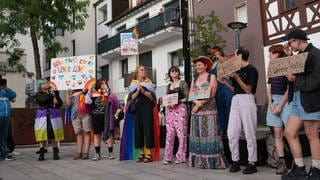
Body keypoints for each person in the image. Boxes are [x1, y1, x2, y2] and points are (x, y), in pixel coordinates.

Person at [281, 28, 320, 180]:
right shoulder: (299, 56)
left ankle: (316, 170)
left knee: (312, 134)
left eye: (290, 42)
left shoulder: (315, 54)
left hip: (310, 98)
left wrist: (295, 80)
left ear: (298, 40)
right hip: (298, 98)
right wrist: (288, 57)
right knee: (289, 132)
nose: (289, 45)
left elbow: (317, 80)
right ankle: (299, 168)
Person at [220, 47, 259, 174]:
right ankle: (235, 161)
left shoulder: (252, 70)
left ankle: (252, 162)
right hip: (236, 99)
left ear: (240, 56)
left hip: (247, 99)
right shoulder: (236, 70)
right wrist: (225, 82)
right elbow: (235, 89)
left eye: (235, 55)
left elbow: (248, 89)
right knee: (232, 133)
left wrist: (236, 77)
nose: (233, 58)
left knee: (249, 133)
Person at [189, 56, 227, 169]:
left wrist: (200, 104)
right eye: (196, 65)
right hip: (196, 110)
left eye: (200, 65)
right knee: (197, 135)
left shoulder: (212, 76)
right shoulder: (194, 79)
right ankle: (199, 160)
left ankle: (212, 161)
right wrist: (196, 103)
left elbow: (212, 93)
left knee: (210, 134)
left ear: (206, 66)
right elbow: (191, 94)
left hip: (209, 109)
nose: (198, 67)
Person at [120, 65, 160, 162]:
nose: (144, 71)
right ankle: (142, 153)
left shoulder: (149, 83)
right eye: (141, 70)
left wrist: (143, 90)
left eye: (144, 70)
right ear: (137, 72)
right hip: (137, 109)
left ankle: (149, 154)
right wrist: (138, 91)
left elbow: (152, 97)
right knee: (138, 130)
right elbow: (131, 98)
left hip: (147, 109)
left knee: (148, 130)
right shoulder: (133, 84)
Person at [266, 44, 291, 175]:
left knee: (290, 133)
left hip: (285, 101)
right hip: (274, 101)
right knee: (277, 133)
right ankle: (282, 163)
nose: (269, 55)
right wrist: (270, 104)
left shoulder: (286, 66)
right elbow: (269, 87)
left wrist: (280, 105)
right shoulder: (271, 68)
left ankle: (296, 161)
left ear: (278, 54)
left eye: (271, 53)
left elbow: (289, 89)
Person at [85, 79, 118, 161]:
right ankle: (97, 153)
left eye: (105, 83)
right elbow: (88, 104)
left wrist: (108, 92)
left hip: (106, 117)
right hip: (96, 116)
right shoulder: (93, 93)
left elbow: (115, 103)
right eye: (102, 83)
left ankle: (110, 152)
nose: (103, 84)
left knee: (109, 134)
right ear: (98, 84)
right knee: (97, 135)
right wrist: (88, 92)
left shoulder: (109, 94)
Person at [163, 66, 189, 165]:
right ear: (169, 74)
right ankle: (168, 157)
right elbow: (167, 98)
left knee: (181, 134)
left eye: (176, 71)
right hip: (170, 110)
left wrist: (177, 101)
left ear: (178, 73)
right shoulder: (168, 85)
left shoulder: (182, 83)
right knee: (169, 134)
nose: (174, 72)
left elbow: (188, 96)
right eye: (172, 71)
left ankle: (181, 157)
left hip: (180, 108)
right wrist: (166, 102)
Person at [206, 45, 234, 135]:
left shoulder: (225, 58)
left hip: (226, 84)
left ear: (220, 52)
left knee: (228, 106)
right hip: (217, 86)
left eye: (216, 51)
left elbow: (229, 65)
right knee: (220, 107)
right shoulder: (213, 64)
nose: (215, 53)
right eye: (214, 52)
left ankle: (232, 128)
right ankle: (223, 129)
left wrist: (219, 57)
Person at [34, 79, 64, 161]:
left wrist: (56, 96)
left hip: (52, 116)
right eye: (44, 83)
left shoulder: (53, 93)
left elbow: (60, 103)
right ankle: (42, 154)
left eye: (47, 83)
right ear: (40, 86)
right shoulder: (38, 94)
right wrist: (52, 95)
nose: (46, 84)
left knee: (53, 134)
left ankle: (55, 153)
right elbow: (43, 100)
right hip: (42, 117)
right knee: (42, 135)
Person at [66, 89, 92, 160]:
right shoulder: (72, 89)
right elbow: (68, 104)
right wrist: (68, 94)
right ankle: (79, 152)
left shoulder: (87, 87)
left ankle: (86, 153)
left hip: (86, 113)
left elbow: (89, 100)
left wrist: (84, 91)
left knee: (87, 132)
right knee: (78, 133)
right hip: (75, 115)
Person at [0, 78, 16, 161]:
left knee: (4, 136)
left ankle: (4, 154)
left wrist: (6, 88)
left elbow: (13, 95)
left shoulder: (6, 91)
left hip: (6, 116)